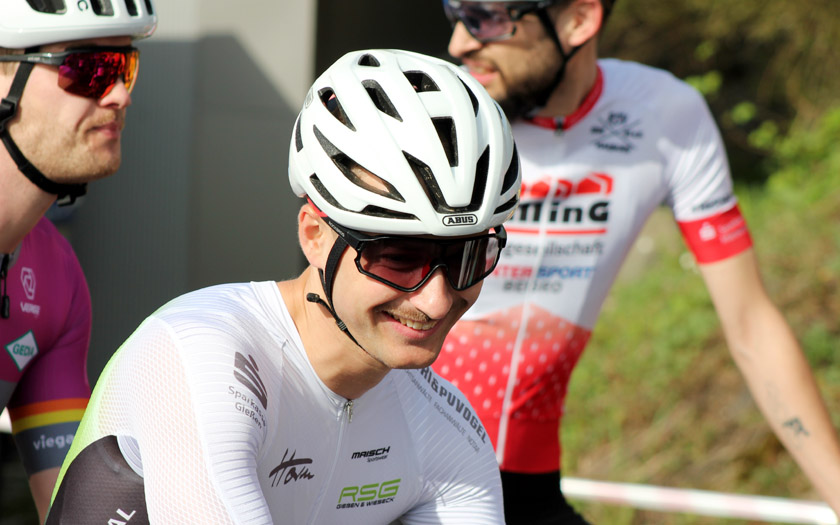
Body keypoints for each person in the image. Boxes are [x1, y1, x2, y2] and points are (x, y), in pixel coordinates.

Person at [44, 48, 521, 524]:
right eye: (398, 258)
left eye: (467, 257)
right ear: (314, 235)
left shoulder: (445, 430)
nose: (436, 301)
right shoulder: (198, 353)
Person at [434, 0, 840, 523]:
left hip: (528, 481)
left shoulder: (665, 115)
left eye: (486, 17)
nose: (460, 43)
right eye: (455, 14)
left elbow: (751, 324)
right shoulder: (436, 107)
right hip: (410, 466)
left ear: (579, 20)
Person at [0, 2, 157, 522]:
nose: (119, 94)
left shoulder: (55, 277)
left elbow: (78, 509)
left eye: (124, 68)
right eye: (87, 69)